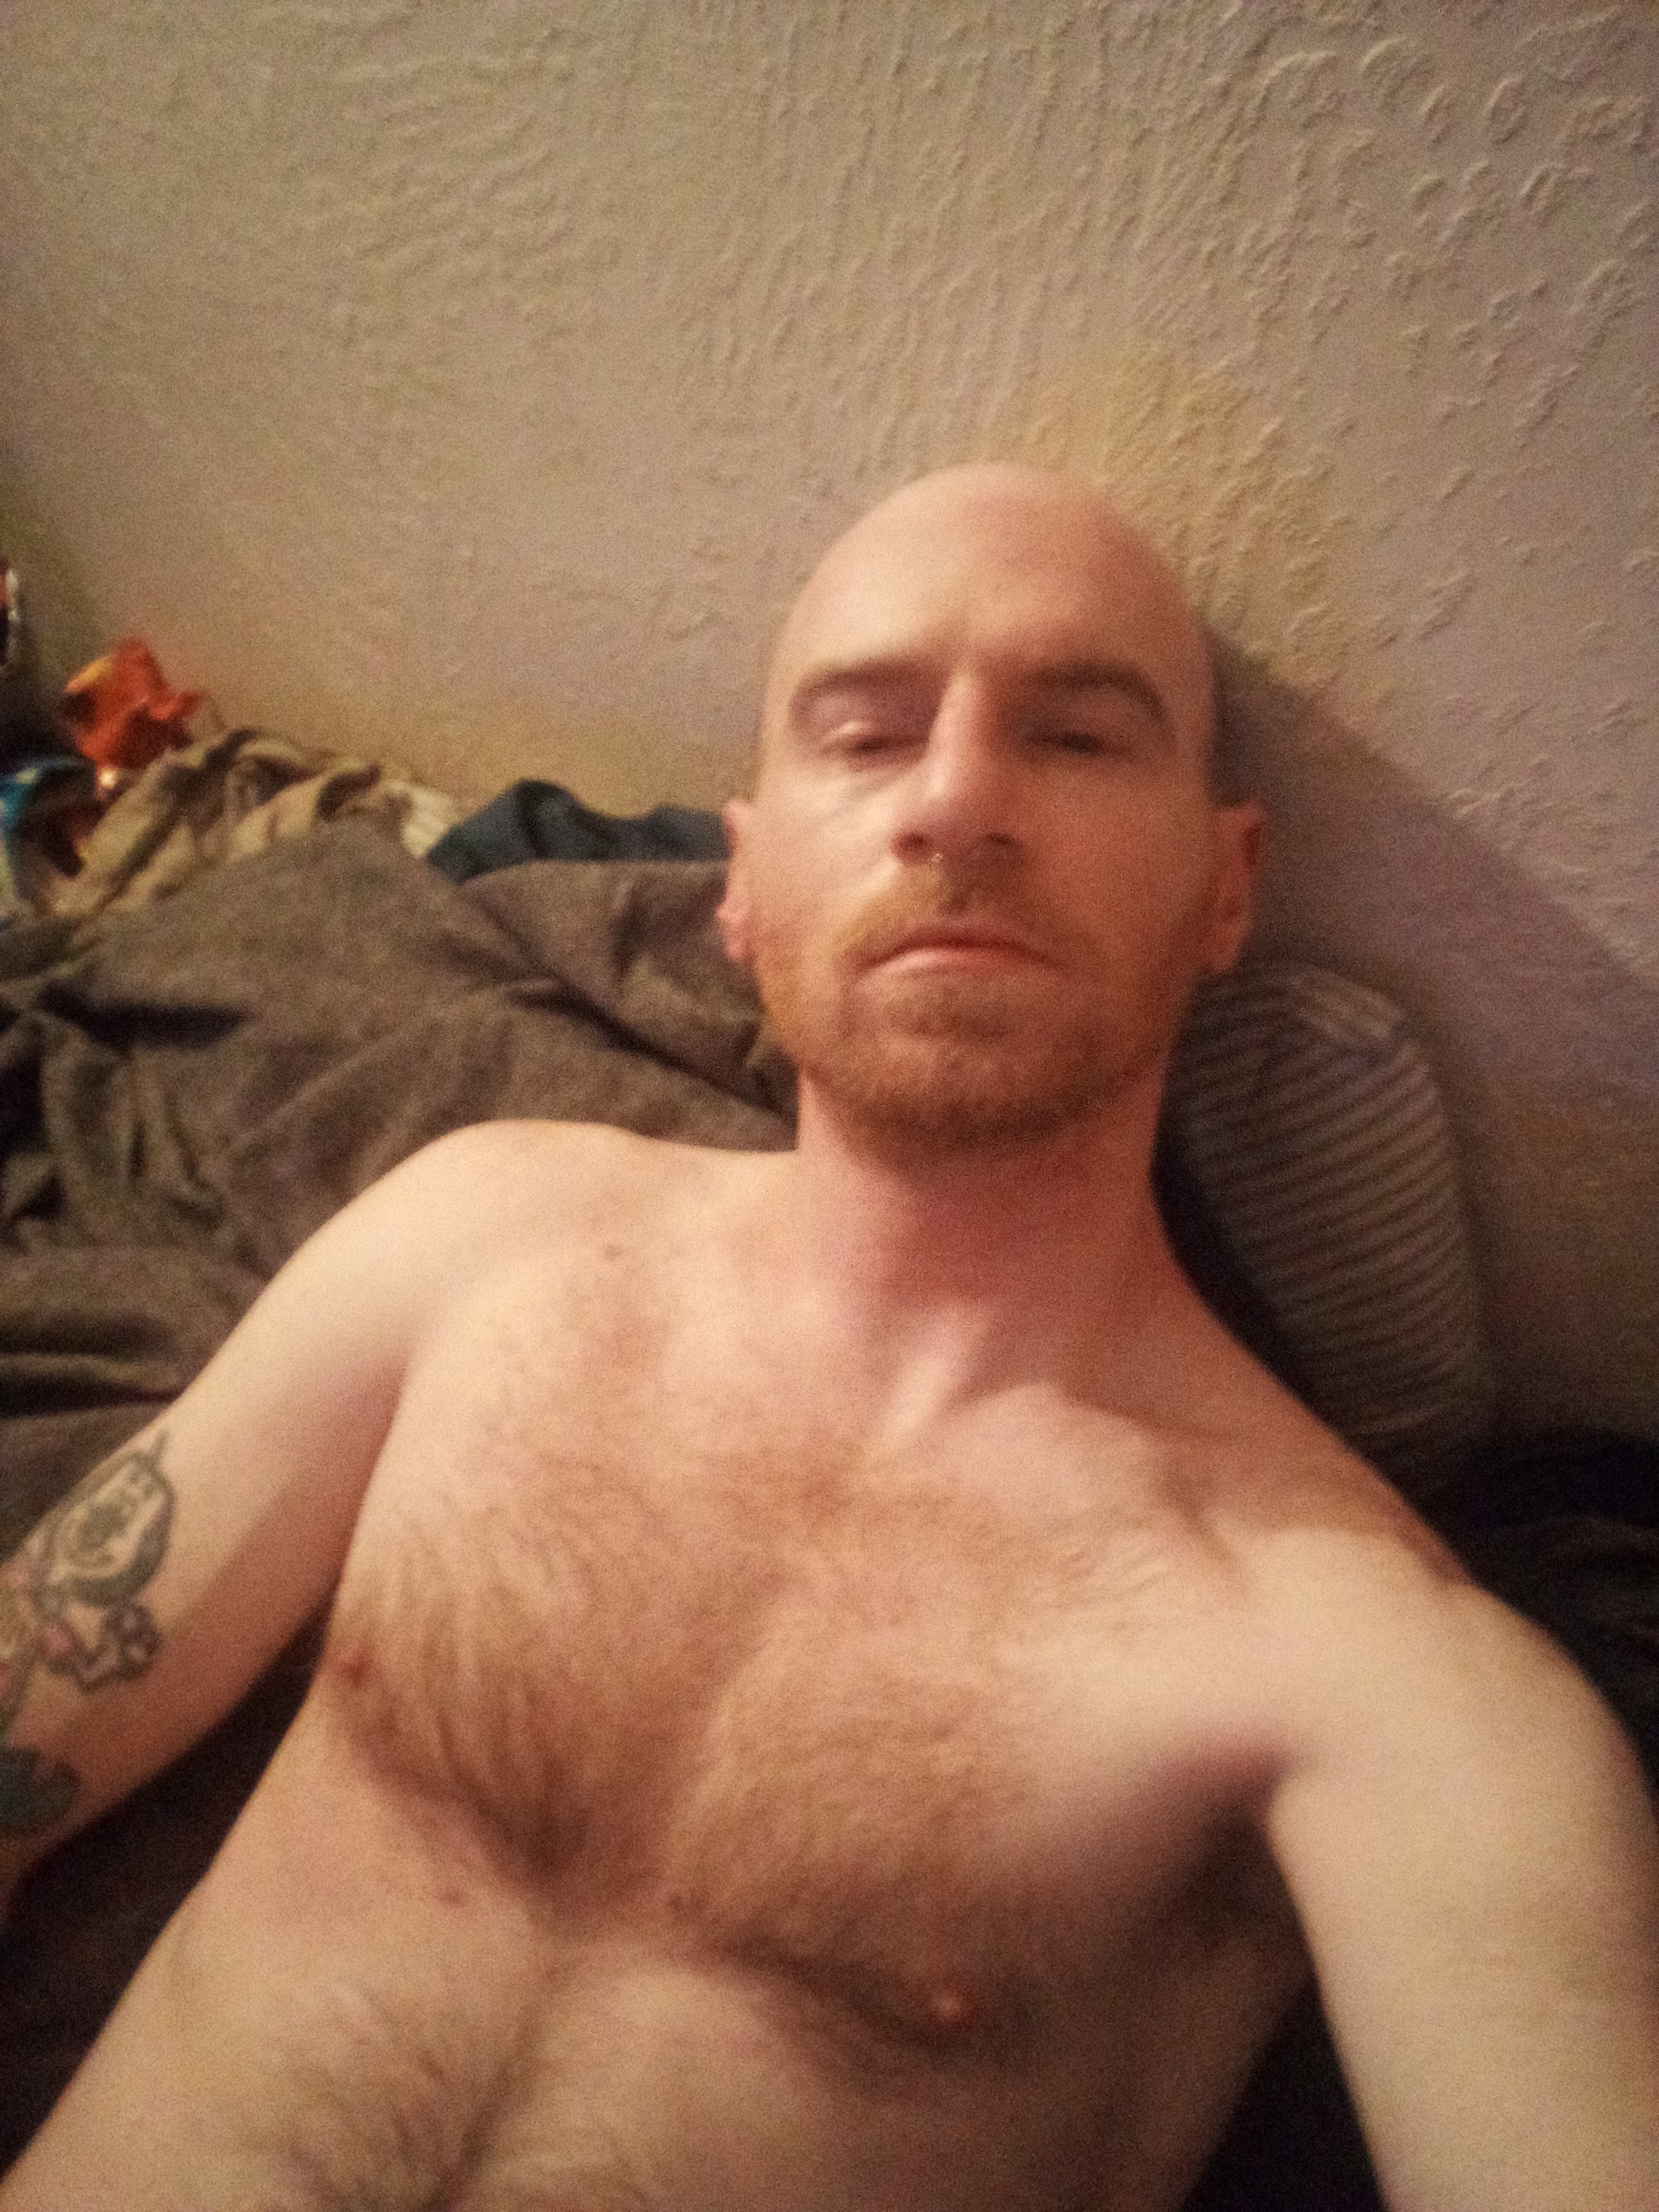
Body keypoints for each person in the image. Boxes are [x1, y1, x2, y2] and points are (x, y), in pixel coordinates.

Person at [0, 463, 1654, 2212]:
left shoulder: (1377, 1672)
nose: (956, 801)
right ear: (740, 884)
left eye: (1078, 738)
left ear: (1225, 884)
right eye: (865, 738)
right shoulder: (475, 1237)